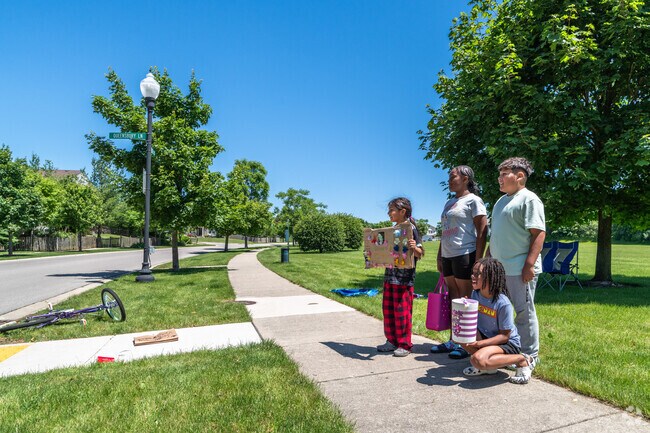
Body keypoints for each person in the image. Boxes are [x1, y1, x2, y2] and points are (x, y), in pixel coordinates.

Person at [487, 157, 545, 372]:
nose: (499, 179)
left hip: (520, 269)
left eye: (504, 174)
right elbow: (495, 236)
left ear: (520, 176)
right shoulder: (500, 202)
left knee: (524, 313)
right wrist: (487, 261)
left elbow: (538, 233)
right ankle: (511, 350)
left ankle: (530, 355)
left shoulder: (529, 199)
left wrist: (529, 265)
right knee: (501, 312)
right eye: (499, 174)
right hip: (499, 270)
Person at [430, 165, 488, 359]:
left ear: (465, 178)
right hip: (448, 254)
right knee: (453, 299)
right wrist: (440, 255)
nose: (449, 180)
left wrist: (479, 260)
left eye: (453, 176)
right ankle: (454, 339)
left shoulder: (474, 200)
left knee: (465, 300)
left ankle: (467, 343)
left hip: (465, 252)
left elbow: (482, 230)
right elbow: (444, 230)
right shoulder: (449, 203)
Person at [459, 258, 534, 384]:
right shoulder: (475, 294)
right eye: (473, 272)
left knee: (477, 359)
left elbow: (504, 336)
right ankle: (488, 368)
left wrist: (479, 344)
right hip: (487, 336)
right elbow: (473, 321)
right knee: (461, 337)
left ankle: (522, 359)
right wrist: (465, 307)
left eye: (478, 274)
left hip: (507, 343)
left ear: (490, 277)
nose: (473, 276)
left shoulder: (502, 303)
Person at [376, 197, 424, 357]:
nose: (389, 213)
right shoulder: (392, 230)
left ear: (402, 212)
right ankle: (391, 340)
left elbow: (421, 253)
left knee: (401, 311)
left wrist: (414, 248)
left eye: (392, 210)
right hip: (390, 276)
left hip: (404, 279)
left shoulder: (411, 229)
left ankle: (404, 343)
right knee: (388, 310)